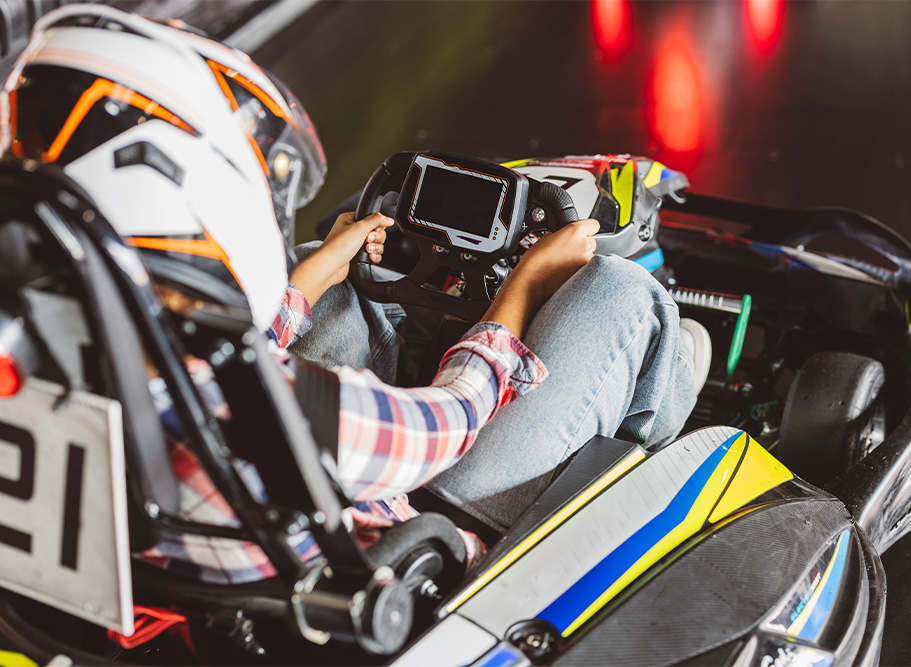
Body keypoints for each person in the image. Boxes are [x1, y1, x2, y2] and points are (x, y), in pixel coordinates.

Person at [1, 5, 709, 583]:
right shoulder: (278, 415)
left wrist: (318, 268)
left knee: (337, 276)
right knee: (621, 292)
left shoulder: (45, 369)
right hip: (439, 541)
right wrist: (523, 284)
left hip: (242, 553)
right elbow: (452, 416)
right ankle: (641, 447)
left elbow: (209, 354)